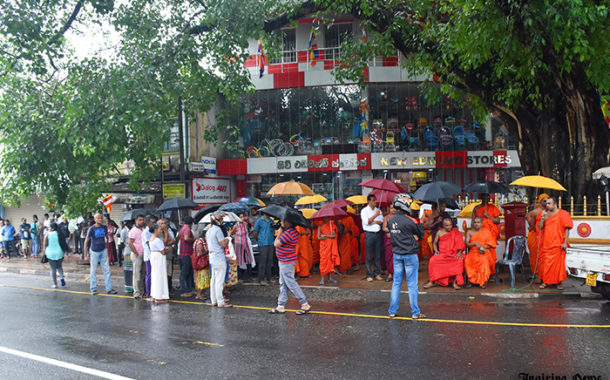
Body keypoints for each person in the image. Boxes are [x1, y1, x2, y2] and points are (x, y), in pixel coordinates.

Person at [387, 193, 425, 319]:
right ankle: (415, 312)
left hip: (397, 254)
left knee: (396, 283)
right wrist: (422, 222)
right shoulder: (411, 220)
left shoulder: (391, 220)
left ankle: (392, 311)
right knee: (412, 284)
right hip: (410, 255)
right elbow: (420, 235)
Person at [268, 218, 311, 315]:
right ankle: (281, 305)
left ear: (288, 222)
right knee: (283, 283)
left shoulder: (289, 233)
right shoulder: (290, 231)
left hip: (286, 261)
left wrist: (279, 233)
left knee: (290, 282)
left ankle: (304, 304)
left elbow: (276, 244)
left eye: (283, 221)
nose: (281, 223)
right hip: (284, 260)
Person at [537, 197, 573, 290]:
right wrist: (542, 218)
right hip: (547, 244)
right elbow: (540, 228)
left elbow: (567, 228)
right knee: (546, 265)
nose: (547, 205)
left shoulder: (563, 214)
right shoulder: (545, 214)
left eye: (549, 203)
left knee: (558, 266)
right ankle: (545, 282)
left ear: (555, 204)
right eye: (546, 203)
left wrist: (565, 242)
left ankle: (559, 283)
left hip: (558, 244)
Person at [424, 218, 466, 290]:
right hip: (443, 254)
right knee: (433, 260)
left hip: (453, 254)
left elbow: (461, 244)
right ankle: (432, 281)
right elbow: (434, 243)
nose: (449, 227)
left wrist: (459, 253)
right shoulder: (439, 232)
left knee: (459, 261)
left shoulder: (456, 232)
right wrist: (436, 251)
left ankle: (454, 282)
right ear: (443, 225)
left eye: (450, 225)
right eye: (447, 225)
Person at [84, 213, 117, 295]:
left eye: (101, 218)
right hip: (94, 251)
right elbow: (86, 241)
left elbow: (106, 237)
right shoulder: (91, 229)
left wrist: (106, 246)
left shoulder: (104, 227)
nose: (100, 219)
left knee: (107, 270)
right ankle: (93, 288)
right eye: (98, 218)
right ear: (95, 219)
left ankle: (109, 288)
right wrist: (85, 255)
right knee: (93, 270)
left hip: (103, 250)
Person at [206, 212, 233, 307]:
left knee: (213, 280)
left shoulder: (209, 230)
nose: (222, 221)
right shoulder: (218, 230)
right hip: (219, 258)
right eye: (221, 219)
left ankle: (214, 300)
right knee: (219, 281)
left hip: (212, 257)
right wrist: (229, 237)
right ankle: (221, 302)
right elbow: (223, 244)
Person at [464, 217, 497, 288]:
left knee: (484, 261)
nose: (476, 224)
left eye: (478, 222)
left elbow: (491, 244)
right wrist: (474, 244)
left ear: (481, 223)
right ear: (473, 223)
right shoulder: (469, 232)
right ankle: (471, 280)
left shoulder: (486, 231)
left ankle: (483, 281)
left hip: (483, 252)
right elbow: (466, 244)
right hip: (473, 252)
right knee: (467, 260)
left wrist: (483, 248)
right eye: (475, 222)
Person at [361, 194, 384, 281]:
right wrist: (375, 216)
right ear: (369, 201)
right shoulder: (364, 211)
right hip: (369, 234)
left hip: (377, 233)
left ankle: (377, 273)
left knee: (377, 254)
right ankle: (368, 274)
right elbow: (367, 222)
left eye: (375, 200)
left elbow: (380, 221)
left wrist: (374, 221)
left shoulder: (378, 210)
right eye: (373, 200)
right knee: (368, 255)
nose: (375, 202)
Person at [526, 193, 549, 282]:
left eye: (547, 200)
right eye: (544, 200)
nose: (546, 202)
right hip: (535, 236)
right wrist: (532, 225)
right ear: (540, 201)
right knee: (535, 256)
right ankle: (536, 274)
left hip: (544, 236)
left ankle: (543, 274)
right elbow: (528, 215)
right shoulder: (537, 211)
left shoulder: (549, 210)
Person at [149, 221, 170, 303]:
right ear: (155, 230)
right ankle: (159, 297)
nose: (160, 231)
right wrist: (167, 249)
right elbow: (163, 252)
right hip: (158, 257)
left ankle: (154, 295)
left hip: (154, 256)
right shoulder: (157, 240)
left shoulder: (151, 239)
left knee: (155, 275)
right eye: (159, 229)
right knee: (160, 276)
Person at [43, 222, 69, 288]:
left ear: (52, 228)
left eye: (49, 227)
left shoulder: (48, 234)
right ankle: (62, 278)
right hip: (59, 253)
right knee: (59, 266)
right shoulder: (60, 234)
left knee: (53, 269)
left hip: (50, 254)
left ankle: (55, 284)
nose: (49, 228)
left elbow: (45, 244)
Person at [253, 213, 275, 285]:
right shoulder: (259, 221)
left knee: (269, 261)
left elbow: (273, 230)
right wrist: (259, 240)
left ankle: (269, 278)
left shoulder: (271, 221)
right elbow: (255, 232)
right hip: (262, 243)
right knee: (263, 262)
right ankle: (261, 279)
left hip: (270, 242)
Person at [128, 215, 146, 299]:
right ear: (136, 221)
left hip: (144, 254)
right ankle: (137, 293)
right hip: (137, 254)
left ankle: (142, 291)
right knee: (137, 275)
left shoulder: (144, 230)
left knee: (143, 274)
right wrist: (136, 252)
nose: (141, 221)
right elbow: (130, 243)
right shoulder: (133, 231)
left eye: (143, 220)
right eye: (140, 220)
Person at [317, 217, 339, 285]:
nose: (327, 219)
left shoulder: (332, 226)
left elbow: (334, 236)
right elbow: (319, 237)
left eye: (328, 218)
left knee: (330, 261)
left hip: (330, 246)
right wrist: (328, 236)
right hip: (323, 247)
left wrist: (325, 236)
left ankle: (330, 278)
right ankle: (322, 279)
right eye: (326, 218)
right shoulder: (320, 227)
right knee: (323, 261)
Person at [178, 216, 196, 297]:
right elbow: (186, 238)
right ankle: (183, 291)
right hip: (186, 253)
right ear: (192, 223)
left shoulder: (182, 229)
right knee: (184, 273)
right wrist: (194, 240)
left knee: (188, 272)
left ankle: (189, 289)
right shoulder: (187, 229)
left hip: (183, 253)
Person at [141, 215, 158, 298]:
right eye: (152, 222)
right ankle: (148, 293)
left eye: (154, 223)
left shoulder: (153, 231)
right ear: (147, 223)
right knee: (149, 275)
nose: (153, 224)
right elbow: (149, 244)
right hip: (149, 256)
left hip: (155, 256)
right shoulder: (145, 233)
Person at [234, 213, 255, 281]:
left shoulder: (245, 224)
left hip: (245, 243)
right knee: (239, 260)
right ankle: (239, 277)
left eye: (243, 217)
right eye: (240, 217)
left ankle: (250, 276)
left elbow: (248, 232)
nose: (242, 218)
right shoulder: (236, 225)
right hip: (238, 244)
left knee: (248, 259)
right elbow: (231, 233)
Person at [193, 231, 210, 300]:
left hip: (203, 262)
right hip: (201, 262)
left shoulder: (201, 241)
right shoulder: (200, 242)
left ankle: (202, 293)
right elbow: (200, 252)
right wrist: (208, 251)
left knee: (205, 278)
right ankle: (199, 294)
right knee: (203, 279)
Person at [382, 205, 397, 282]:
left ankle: (397, 273)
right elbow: (384, 227)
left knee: (397, 256)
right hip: (389, 239)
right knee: (388, 256)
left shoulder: (400, 217)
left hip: (398, 239)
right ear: (389, 209)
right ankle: (390, 273)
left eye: (394, 208)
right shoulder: (386, 217)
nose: (393, 209)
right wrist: (390, 232)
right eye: (391, 208)